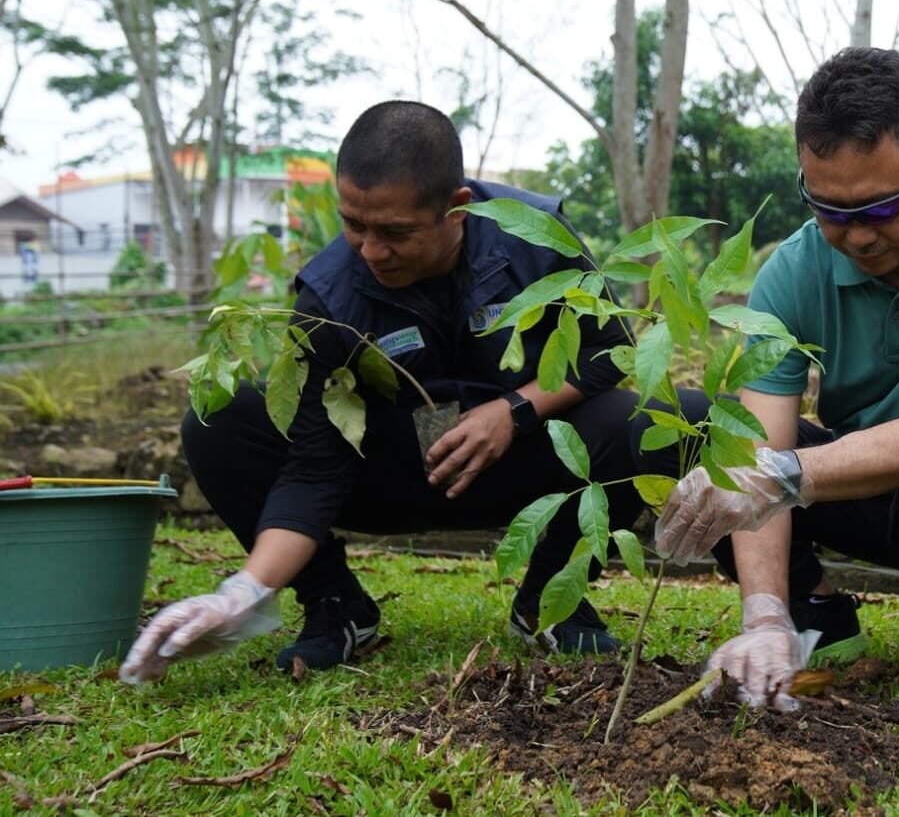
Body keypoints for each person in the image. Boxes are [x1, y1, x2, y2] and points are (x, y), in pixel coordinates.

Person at [121, 101, 653, 684]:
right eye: (354, 224)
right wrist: (241, 592)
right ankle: (334, 605)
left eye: (394, 233)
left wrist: (513, 412)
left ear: (457, 210)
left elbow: (610, 351)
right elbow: (314, 467)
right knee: (219, 418)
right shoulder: (328, 296)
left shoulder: (535, 238)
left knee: (647, 420)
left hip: (519, 464)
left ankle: (552, 599)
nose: (371, 252)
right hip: (388, 477)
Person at [654, 47, 899, 707]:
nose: (858, 238)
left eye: (879, 210)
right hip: (858, 485)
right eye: (831, 212)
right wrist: (763, 613)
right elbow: (755, 445)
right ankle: (809, 611)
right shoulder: (793, 270)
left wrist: (777, 477)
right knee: (706, 430)